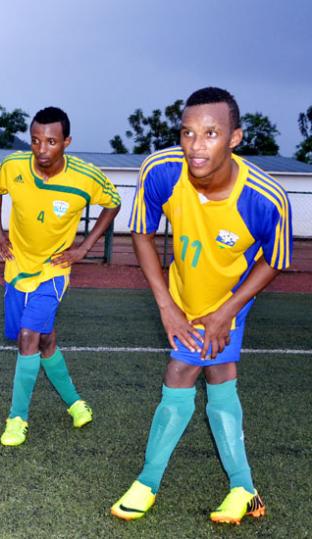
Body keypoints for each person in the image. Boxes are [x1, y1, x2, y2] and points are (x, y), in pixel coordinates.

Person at [111, 87, 292, 524]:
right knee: (219, 374)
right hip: (181, 295)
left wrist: (227, 312)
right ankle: (245, 489)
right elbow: (141, 233)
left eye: (211, 133)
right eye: (188, 133)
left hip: (230, 297)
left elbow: (275, 260)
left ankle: (148, 482)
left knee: (181, 372)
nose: (195, 146)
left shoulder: (266, 199)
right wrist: (166, 307)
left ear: (235, 138)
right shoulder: (160, 170)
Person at [0, 107, 121, 446]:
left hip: (54, 269)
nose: (42, 150)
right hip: (17, 267)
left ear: (66, 142)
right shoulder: (13, 166)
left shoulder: (84, 177)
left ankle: (17, 419)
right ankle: (76, 403)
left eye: (50, 142)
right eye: (35, 141)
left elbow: (114, 202)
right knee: (45, 342)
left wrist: (84, 248)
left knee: (28, 336)